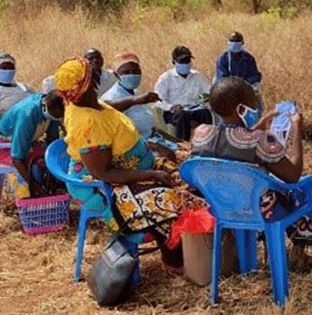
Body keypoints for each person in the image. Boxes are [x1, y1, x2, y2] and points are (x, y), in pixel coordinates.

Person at [55, 56, 201, 272]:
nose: (97, 72)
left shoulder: (90, 102)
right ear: (89, 83)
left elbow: (110, 107)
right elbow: (102, 172)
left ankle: (190, 249)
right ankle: (173, 260)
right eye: (91, 72)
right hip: (102, 185)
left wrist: (136, 103)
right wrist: (150, 175)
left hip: (134, 168)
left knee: (193, 178)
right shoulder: (87, 123)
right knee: (172, 200)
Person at [190, 77, 312, 247]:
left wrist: (260, 125)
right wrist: (296, 128)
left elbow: (232, 141)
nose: (256, 108)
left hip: (221, 208)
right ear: (241, 109)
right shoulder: (260, 140)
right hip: (259, 212)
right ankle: (301, 242)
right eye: (253, 104)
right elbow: (293, 175)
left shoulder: (200, 134)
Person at [101, 51, 187, 159]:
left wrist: (179, 141)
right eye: (126, 72)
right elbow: (122, 139)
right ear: (116, 75)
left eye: (135, 71)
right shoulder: (113, 98)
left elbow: (151, 128)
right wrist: (156, 147)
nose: (132, 75)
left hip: (155, 141)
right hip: (136, 150)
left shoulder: (136, 93)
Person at [0, 91, 64, 198]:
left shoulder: (52, 109)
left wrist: (52, 169)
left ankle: (45, 187)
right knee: (31, 165)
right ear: (47, 107)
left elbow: (52, 141)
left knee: (48, 158)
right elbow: (17, 159)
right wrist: (36, 188)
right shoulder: (27, 116)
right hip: (0, 147)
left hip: (23, 143)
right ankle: (28, 197)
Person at [154, 45, 212, 141]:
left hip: (193, 108)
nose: (185, 64)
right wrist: (171, 107)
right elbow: (158, 100)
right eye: (182, 62)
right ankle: (183, 145)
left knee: (206, 113)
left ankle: (207, 142)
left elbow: (209, 91)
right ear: (174, 62)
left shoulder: (197, 76)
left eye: (187, 61)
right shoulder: (165, 78)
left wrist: (207, 96)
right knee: (183, 116)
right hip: (174, 112)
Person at [41, 48, 117, 98]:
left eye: (98, 57)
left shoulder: (111, 76)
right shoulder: (76, 75)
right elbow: (48, 82)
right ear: (84, 61)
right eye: (91, 58)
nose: (95, 60)